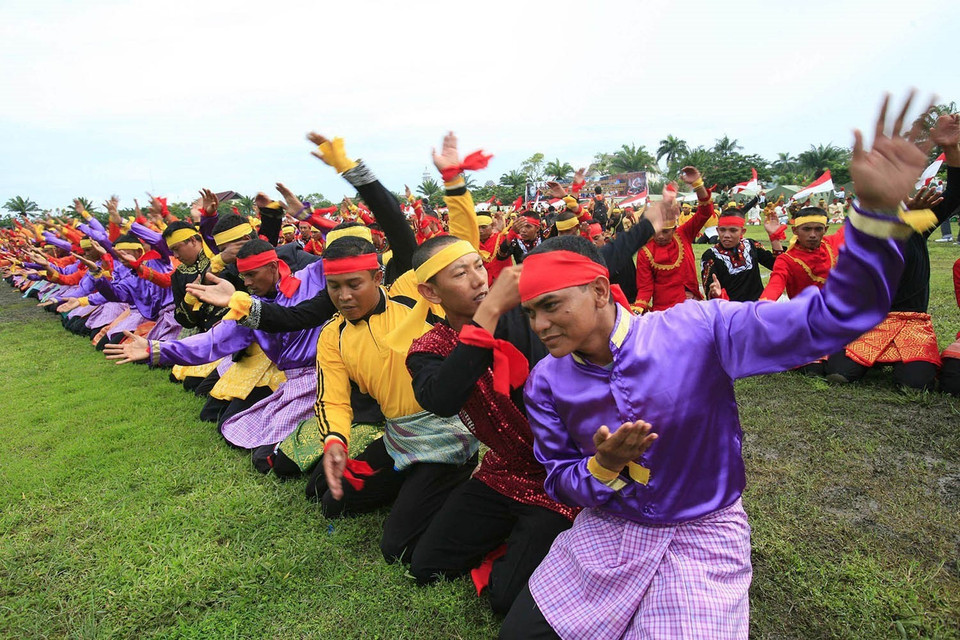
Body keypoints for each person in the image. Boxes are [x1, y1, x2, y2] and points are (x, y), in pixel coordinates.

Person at [499, 91, 934, 639]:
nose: (539, 326)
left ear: (601, 292)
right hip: (610, 530)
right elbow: (559, 480)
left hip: (704, 530)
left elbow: (833, 319)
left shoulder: (699, 329)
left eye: (551, 307)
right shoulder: (547, 381)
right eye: (532, 313)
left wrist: (872, 220)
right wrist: (601, 468)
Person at [104, 238, 328, 449]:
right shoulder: (248, 304)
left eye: (251, 275)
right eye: (243, 276)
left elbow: (345, 252)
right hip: (286, 377)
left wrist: (304, 213)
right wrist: (155, 348)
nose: (247, 283)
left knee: (269, 453)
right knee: (228, 424)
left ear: (272, 266)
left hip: (325, 375)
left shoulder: (311, 277)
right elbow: (211, 341)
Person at [825, 113, 960, 391]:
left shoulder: (916, 220)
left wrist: (950, 148)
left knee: (915, 383)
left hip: (912, 323)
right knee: (838, 372)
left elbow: (956, 194)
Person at [633, 170, 712, 312]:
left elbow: (705, 212)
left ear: (675, 229)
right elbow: (645, 287)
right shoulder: (645, 253)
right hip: (664, 310)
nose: (660, 237)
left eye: (665, 232)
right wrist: (638, 308)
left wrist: (698, 185)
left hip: (692, 304)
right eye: (656, 232)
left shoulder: (684, 234)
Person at [701, 208, 784, 302]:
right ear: (717, 230)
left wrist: (774, 237)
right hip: (730, 312)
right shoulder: (710, 256)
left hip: (756, 310)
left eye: (733, 230)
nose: (726, 235)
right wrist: (715, 294)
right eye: (722, 230)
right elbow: (710, 292)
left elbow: (778, 266)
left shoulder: (751, 245)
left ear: (742, 231)